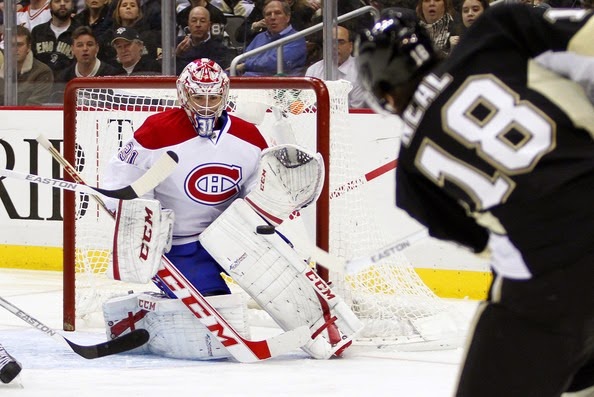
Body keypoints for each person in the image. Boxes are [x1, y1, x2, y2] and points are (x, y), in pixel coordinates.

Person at [355, 6, 594, 397]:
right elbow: (587, 39)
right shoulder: (495, 34)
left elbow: (491, 246)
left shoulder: (410, 180)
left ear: (382, 90)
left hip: (551, 277)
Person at [236, 0, 306, 76]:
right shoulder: (259, 37)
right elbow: (242, 61)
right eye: (268, 14)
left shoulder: (296, 38)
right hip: (246, 82)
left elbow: (275, 63)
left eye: (277, 13)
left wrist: (245, 66)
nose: (272, 17)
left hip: (276, 85)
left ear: (287, 17)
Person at [305, 25, 366, 108]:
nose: (335, 47)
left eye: (341, 42)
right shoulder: (313, 70)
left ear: (350, 46)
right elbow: (308, 106)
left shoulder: (360, 70)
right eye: (330, 42)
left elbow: (357, 109)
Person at [0, 25, 53, 105]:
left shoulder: (42, 72)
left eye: (20, 45)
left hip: (28, 116)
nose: (15, 49)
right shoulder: (1, 69)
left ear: (28, 47)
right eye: (11, 45)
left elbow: (34, 106)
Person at [175, 6, 232, 74]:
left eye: (202, 21)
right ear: (188, 24)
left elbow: (211, 74)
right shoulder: (178, 44)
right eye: (194, 21)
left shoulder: (219, 49)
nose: (198, 25)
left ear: (209, 25)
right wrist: (177, 55)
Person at [30, 0, 79, 79]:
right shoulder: (38, 31)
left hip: (69, 85)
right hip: (40, 85)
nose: (62, 4)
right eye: (57, 1)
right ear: (49, 5)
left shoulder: (80, 32)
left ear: (72, 5)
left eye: (66, 1)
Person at [56, 26, 120, 83]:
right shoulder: (64, 77)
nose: (85, 49)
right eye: (80, 45)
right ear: (72, 49)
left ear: (97, 48)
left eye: (89, 44)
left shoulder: (112, 75)